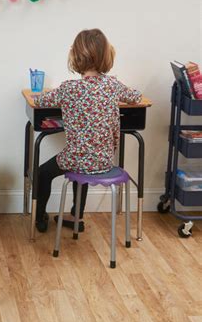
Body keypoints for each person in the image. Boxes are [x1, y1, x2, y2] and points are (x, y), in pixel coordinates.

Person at [34, 28, 142, 233]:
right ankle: (76, 216)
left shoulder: (68, 88)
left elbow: (40, 101)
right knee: (82, 162)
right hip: (104, 160)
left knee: (44, 172)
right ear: (106, 55)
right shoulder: (112, 85)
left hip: (77, 158)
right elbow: (135, 97)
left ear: (75, 56)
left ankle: (40, 218)